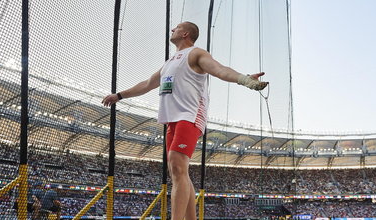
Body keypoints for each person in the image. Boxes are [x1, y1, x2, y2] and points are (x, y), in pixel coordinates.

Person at [102, 21, 268, 220]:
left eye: (177, 27)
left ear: (186, 33)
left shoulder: (196, 54)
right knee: (177, 171)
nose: (172, 29)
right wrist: (119, 95)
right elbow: (147, 84)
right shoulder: (169, 62)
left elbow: (219, 69)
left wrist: (246, 80)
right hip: (171, 120)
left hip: (189, 115)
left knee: (177, 165)